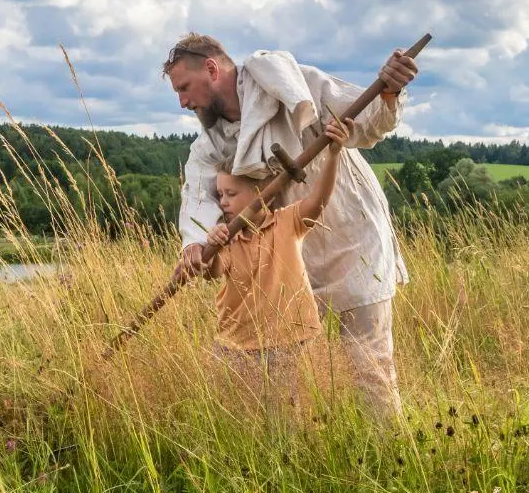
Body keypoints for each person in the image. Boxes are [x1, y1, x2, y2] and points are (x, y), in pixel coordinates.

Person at [163, 33, 418, 421]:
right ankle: (309, 458)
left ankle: (391, 458)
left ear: (212, 69)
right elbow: (198, 194)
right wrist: (194, 245)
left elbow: (365, 124)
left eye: (184, 87)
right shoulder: (212, 144)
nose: (183, 101)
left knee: (370, 366)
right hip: (288, 256)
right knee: (292, 374)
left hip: (352, 237)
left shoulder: (291, 83)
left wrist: (390, 90)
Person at [202, 115, 356, 410]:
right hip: (237, 345)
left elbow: (319, 199)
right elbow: (212, 271)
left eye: (231, 194)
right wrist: (212, 244)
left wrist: (334, 154)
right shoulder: (225, 238)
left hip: (292, 342)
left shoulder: (287, 222)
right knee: (241, 425)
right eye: (219, 194)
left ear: (262, 193)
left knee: (291, 422)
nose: (223, 202)